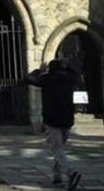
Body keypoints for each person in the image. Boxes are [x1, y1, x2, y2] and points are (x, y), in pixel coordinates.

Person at [25, 60, 81, 190]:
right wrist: (68, 67)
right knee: (59, 149)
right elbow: (76, 73)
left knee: (56, 149)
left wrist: (39, 70)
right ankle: (57, 176)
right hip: (67, 120)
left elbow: (28, 78)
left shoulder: (47, 79)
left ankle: (71, 172)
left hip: (52, 120)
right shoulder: (70, 79)